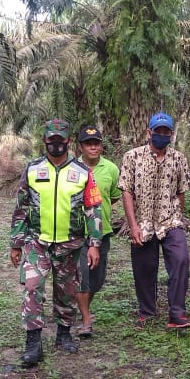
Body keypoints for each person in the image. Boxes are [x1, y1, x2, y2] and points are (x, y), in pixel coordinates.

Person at [10, 118, 103, 367]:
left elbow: (93, 208)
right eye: (52, 140)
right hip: (36, 241)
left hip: (70, 243)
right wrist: (16, 243)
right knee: (32, 286)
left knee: (66, 291)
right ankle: (33, 343)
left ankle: (63, 334)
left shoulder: (83, 173)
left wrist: (94, 243)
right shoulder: (32, 169)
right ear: (44, 141)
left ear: (68, 141)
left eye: (61, 141)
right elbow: (21, 208)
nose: (56, 145)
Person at [119, 112, 190, 330]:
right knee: (144, 269)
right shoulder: (132, 157)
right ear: (148, 132)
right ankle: (147, 313)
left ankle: (177, 314)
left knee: (181, 260)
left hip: (170, 220)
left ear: (171, 134)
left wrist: (178, 216)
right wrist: (133, 225)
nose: (161, 135)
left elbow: (181, 191)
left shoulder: (178, 159)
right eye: (157, 131)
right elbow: (126, 191)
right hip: (142, 222)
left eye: (166, 132)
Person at [74, 126, 122, 338]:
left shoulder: (111, 169)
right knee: (82, 275)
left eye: (96, 143)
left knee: (98, 277)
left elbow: (113, 197)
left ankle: (84, 306)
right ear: (80, 147)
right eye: (88, 143)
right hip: (77, 232)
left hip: (103, 232)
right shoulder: (72, 168)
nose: (93, 147)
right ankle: (85, 319)